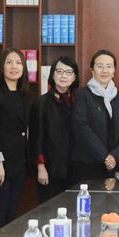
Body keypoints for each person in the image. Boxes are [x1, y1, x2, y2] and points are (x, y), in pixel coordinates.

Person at [0, 48, 30, 232]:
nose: (14, 66)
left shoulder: (25, 96)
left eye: (18, 62)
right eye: (9, 62)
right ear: (2, 67)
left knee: (11, 214)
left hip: (18, 163)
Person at [72, 49, 119, 181]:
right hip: (88, 165)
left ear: (114, 71)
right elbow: (82, 128)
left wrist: (115, 156)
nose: (104, 70)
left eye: (109, 66)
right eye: (100, 66)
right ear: (92, 70)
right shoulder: (82, 95)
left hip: (115, 164)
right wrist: (105, 157)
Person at [30, 56, 79, 203]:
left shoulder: (79, 101)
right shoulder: (42, 102)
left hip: (74, 168)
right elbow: (36, 138)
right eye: (59, 71)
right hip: (50, 169)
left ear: (74, 77)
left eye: (68, 72)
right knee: (50, 210)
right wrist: (41, 167)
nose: (63, 76)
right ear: (52, 75)